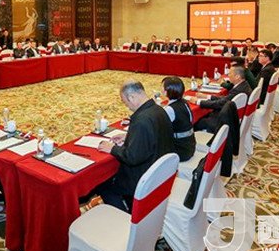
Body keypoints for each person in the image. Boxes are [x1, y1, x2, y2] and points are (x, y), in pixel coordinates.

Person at [95, 80, 175, 212]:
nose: (126, 106)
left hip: (143, 178)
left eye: (124, 102)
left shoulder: (141, 120)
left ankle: (126, 215)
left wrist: (112, 148)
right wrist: (129, 136)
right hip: (161, 171)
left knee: (103, 184)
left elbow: (132, 157)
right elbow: (155, 135)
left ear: (131, 97)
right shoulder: (158, 109)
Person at [191, 66, 252, 133]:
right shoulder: (244, 85)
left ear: (237, 76)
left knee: (197, 121)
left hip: (225, 122)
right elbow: (225, 99)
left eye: (230, 73)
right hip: (233, 117)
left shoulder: (238, 90)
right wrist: (207, 96)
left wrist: (198, 101)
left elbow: (219, 104)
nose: (228, 75)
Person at [161, 77, 195, 162]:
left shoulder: (170, 109)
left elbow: (159, 127)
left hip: (180, 151)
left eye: (162, 87)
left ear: (167, 91)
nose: (161, 89)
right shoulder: (184, 102)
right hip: (189, 145)